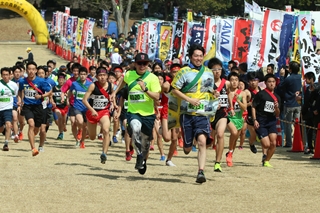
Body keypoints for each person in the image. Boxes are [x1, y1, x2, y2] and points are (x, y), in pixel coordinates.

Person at [171, 45, 217, 183]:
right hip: (187, 113)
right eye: (195, 55)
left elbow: (209, 89)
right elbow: (174, 90)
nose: (198, 58)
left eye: (200, 55)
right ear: (190, 56)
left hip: (202, 114)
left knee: (202, 142)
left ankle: (201, 172)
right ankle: (186, 142)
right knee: (187, 148)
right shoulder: (183, 71)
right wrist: (189, 99)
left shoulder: (208, 72)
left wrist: (214, 93)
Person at [111, 53, 161, 175]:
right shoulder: (129, 74)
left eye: (145, 63)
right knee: (135, 128)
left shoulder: (153, 78)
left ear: (148, 64)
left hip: (148, 115)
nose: (142, 66)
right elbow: (123, 81)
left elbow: (157, 97)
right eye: (139, 63)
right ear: (135, 64)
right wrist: (114, 92)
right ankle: (138, 154)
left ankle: (142, 160)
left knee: (146, 143)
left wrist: (145, 89)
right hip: (133, 112)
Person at [208, 57, 237, 172]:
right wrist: (212, 102)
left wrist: (231, 107)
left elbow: (229, 94)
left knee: (221, 134)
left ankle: (218, 162)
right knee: (206, 141)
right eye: (214, 69)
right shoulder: (207, 84)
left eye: (219, 69)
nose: (217, 71)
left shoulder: (227, 83)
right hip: (210, 114)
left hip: (222, 114)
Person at [19, 61, 52, 156]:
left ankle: (37, 143)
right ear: (26, 70)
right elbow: (20, 91)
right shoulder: (22, 81)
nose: (31, 71)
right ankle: (33, 148)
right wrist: (20, 100)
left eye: (33, 69)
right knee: (31, 124)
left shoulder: (41, 81)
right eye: (29, 69)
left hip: (39, 106)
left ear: (36, 70)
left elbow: (50, 92)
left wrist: (42, 96)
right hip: (28, 106)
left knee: (36, 129)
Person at [82, 67, 114, 164]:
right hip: (93, 113)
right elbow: (84, 100)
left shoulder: (110, 86)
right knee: (92, 137)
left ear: (107, 76)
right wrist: (92, 110)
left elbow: (112, 97)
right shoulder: (92, 86)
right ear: (96, 76)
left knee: (106, 130)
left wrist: (113, 105)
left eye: (104, 75)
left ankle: (104, 153)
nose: (102, 77)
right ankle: (88, 130)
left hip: (104, 112)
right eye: (100, 75)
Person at [252, 74, 281, 167]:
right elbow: (253, 106)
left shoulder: (277, 97)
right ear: (265, 83)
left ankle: (266, 161)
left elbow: (277, 114)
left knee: (273, 143)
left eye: (273, 82)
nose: (271, 84)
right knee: (266, 144)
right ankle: (259, 136)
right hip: (261, 120)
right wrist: (254, 119)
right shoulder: (261, 94)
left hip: (271, 121)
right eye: (269, 82)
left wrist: (276, 108)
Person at [225, 72, 247, 167]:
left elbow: (245, 107)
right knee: (233, 133)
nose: (234, 82)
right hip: (229, 117)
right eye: (232, 80)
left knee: (235, 139)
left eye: (236, 80)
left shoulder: (242, 93)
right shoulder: (226, 92)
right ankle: (229, 153)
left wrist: (238, 100)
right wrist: (231, 109)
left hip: (239, 118)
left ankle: (230, 154)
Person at [278, 61, 302, 148]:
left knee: (288, 124)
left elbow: (280, 86)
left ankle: (289, 143)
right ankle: (299, 142)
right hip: (298, 104)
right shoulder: (300, 77)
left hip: (288, 103)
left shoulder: (288, 79)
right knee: (298, 124)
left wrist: (281, 76)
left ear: (290, 69)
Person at [68, 67, 92, 148]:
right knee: (80, 122)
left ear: (87, 75)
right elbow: (70, 91)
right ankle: (79, 133)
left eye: (84, 74)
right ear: (79, 75)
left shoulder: (90, 84)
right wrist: (68, 99)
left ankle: (82, 141)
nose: (82, 76)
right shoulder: (75, 83)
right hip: (76, 106)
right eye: (81, 74)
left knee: (85, 126)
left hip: (86, 108)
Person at [0, 67, 19, 151]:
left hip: (8, 108)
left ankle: (6, 143)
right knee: (0, 129)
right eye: (3, 75)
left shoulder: (14, 85)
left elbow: (15, 95)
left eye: (6, 75)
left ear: (10, 75)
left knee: (8, 124)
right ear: (1, 75)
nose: (5, 76)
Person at [52, 73, 68, 140]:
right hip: (57, 106)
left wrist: (67, 97)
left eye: (62, 80)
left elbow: (70, 95)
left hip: (65, 106)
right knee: (60, 118)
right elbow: (51, 96)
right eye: (59, 79)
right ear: (57, 80)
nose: (61, 81)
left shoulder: (67, 88)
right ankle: (60, 133)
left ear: (65, 80)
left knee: (64, 121)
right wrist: (52, 102)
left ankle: (64, 125)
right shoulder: (54, 88)